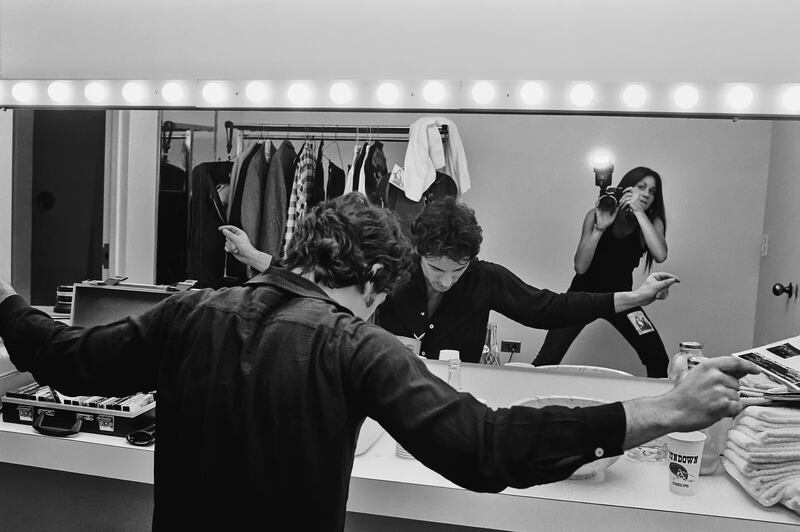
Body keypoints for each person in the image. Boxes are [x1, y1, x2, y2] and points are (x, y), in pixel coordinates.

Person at [0, 192, 759, 531]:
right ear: (370, 283)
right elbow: (485, 450)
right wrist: (661, 409)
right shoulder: (351, 341)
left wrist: (4, 296)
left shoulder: (189, 311)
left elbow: (60, 357)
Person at [224, 196, 679, 364]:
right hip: (383, 375)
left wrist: (633, 296)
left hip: (457, 388)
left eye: (456, 271)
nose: (444, 281)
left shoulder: (486, 279)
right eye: (435, 268)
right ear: (418, 253)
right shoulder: (392, 269)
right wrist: (254, 257)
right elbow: (320, 278)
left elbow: (550, 309)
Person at [533, 166, 670, 376]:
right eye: (641, 187)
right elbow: (580, 267)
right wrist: (600, 228)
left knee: (658, 358)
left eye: (652, 191)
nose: (646, 194)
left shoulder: (651, 223)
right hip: (582, 296)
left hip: (622, 300)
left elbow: (660, 254)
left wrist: (639, 213)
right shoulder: (597, 214)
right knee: (547, 359)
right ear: (626, 188)